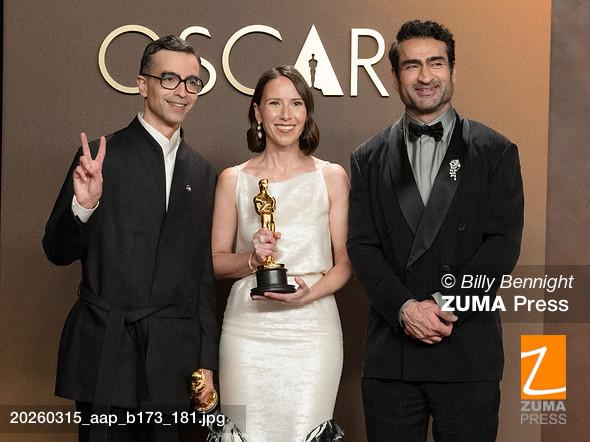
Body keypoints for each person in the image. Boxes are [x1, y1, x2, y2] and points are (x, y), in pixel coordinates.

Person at [347, 20, 524, 442]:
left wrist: (444, 304)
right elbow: (362, 246)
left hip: (467, 350)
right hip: (393, 355)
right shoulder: (367, 157)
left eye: (436, 63)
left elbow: (502, 244)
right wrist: (406, 309)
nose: (425, 76)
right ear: (395, 77)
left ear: (452, 70)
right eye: (412, 66)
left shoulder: (496, 151)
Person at [43, 35, 218, 441]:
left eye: (192, 82)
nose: (182, 91)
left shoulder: (203, 173)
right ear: (143, 84)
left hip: (174, 359)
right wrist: (83, 207)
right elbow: (56, 250)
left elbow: (202, 278)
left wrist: (207, 361)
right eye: (169, 79)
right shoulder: (100, 158)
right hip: (106, 348)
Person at [211, 66, 350, 441]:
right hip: (247, 330)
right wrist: (252, 259)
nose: (286, 115)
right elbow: (216, 262)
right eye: (275, 103)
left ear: (307, 111)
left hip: (313, 330)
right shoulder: (233, 179)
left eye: (296, 103)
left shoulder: (331, 177)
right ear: (257, 111)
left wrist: (310, 294)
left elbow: (345, 263)